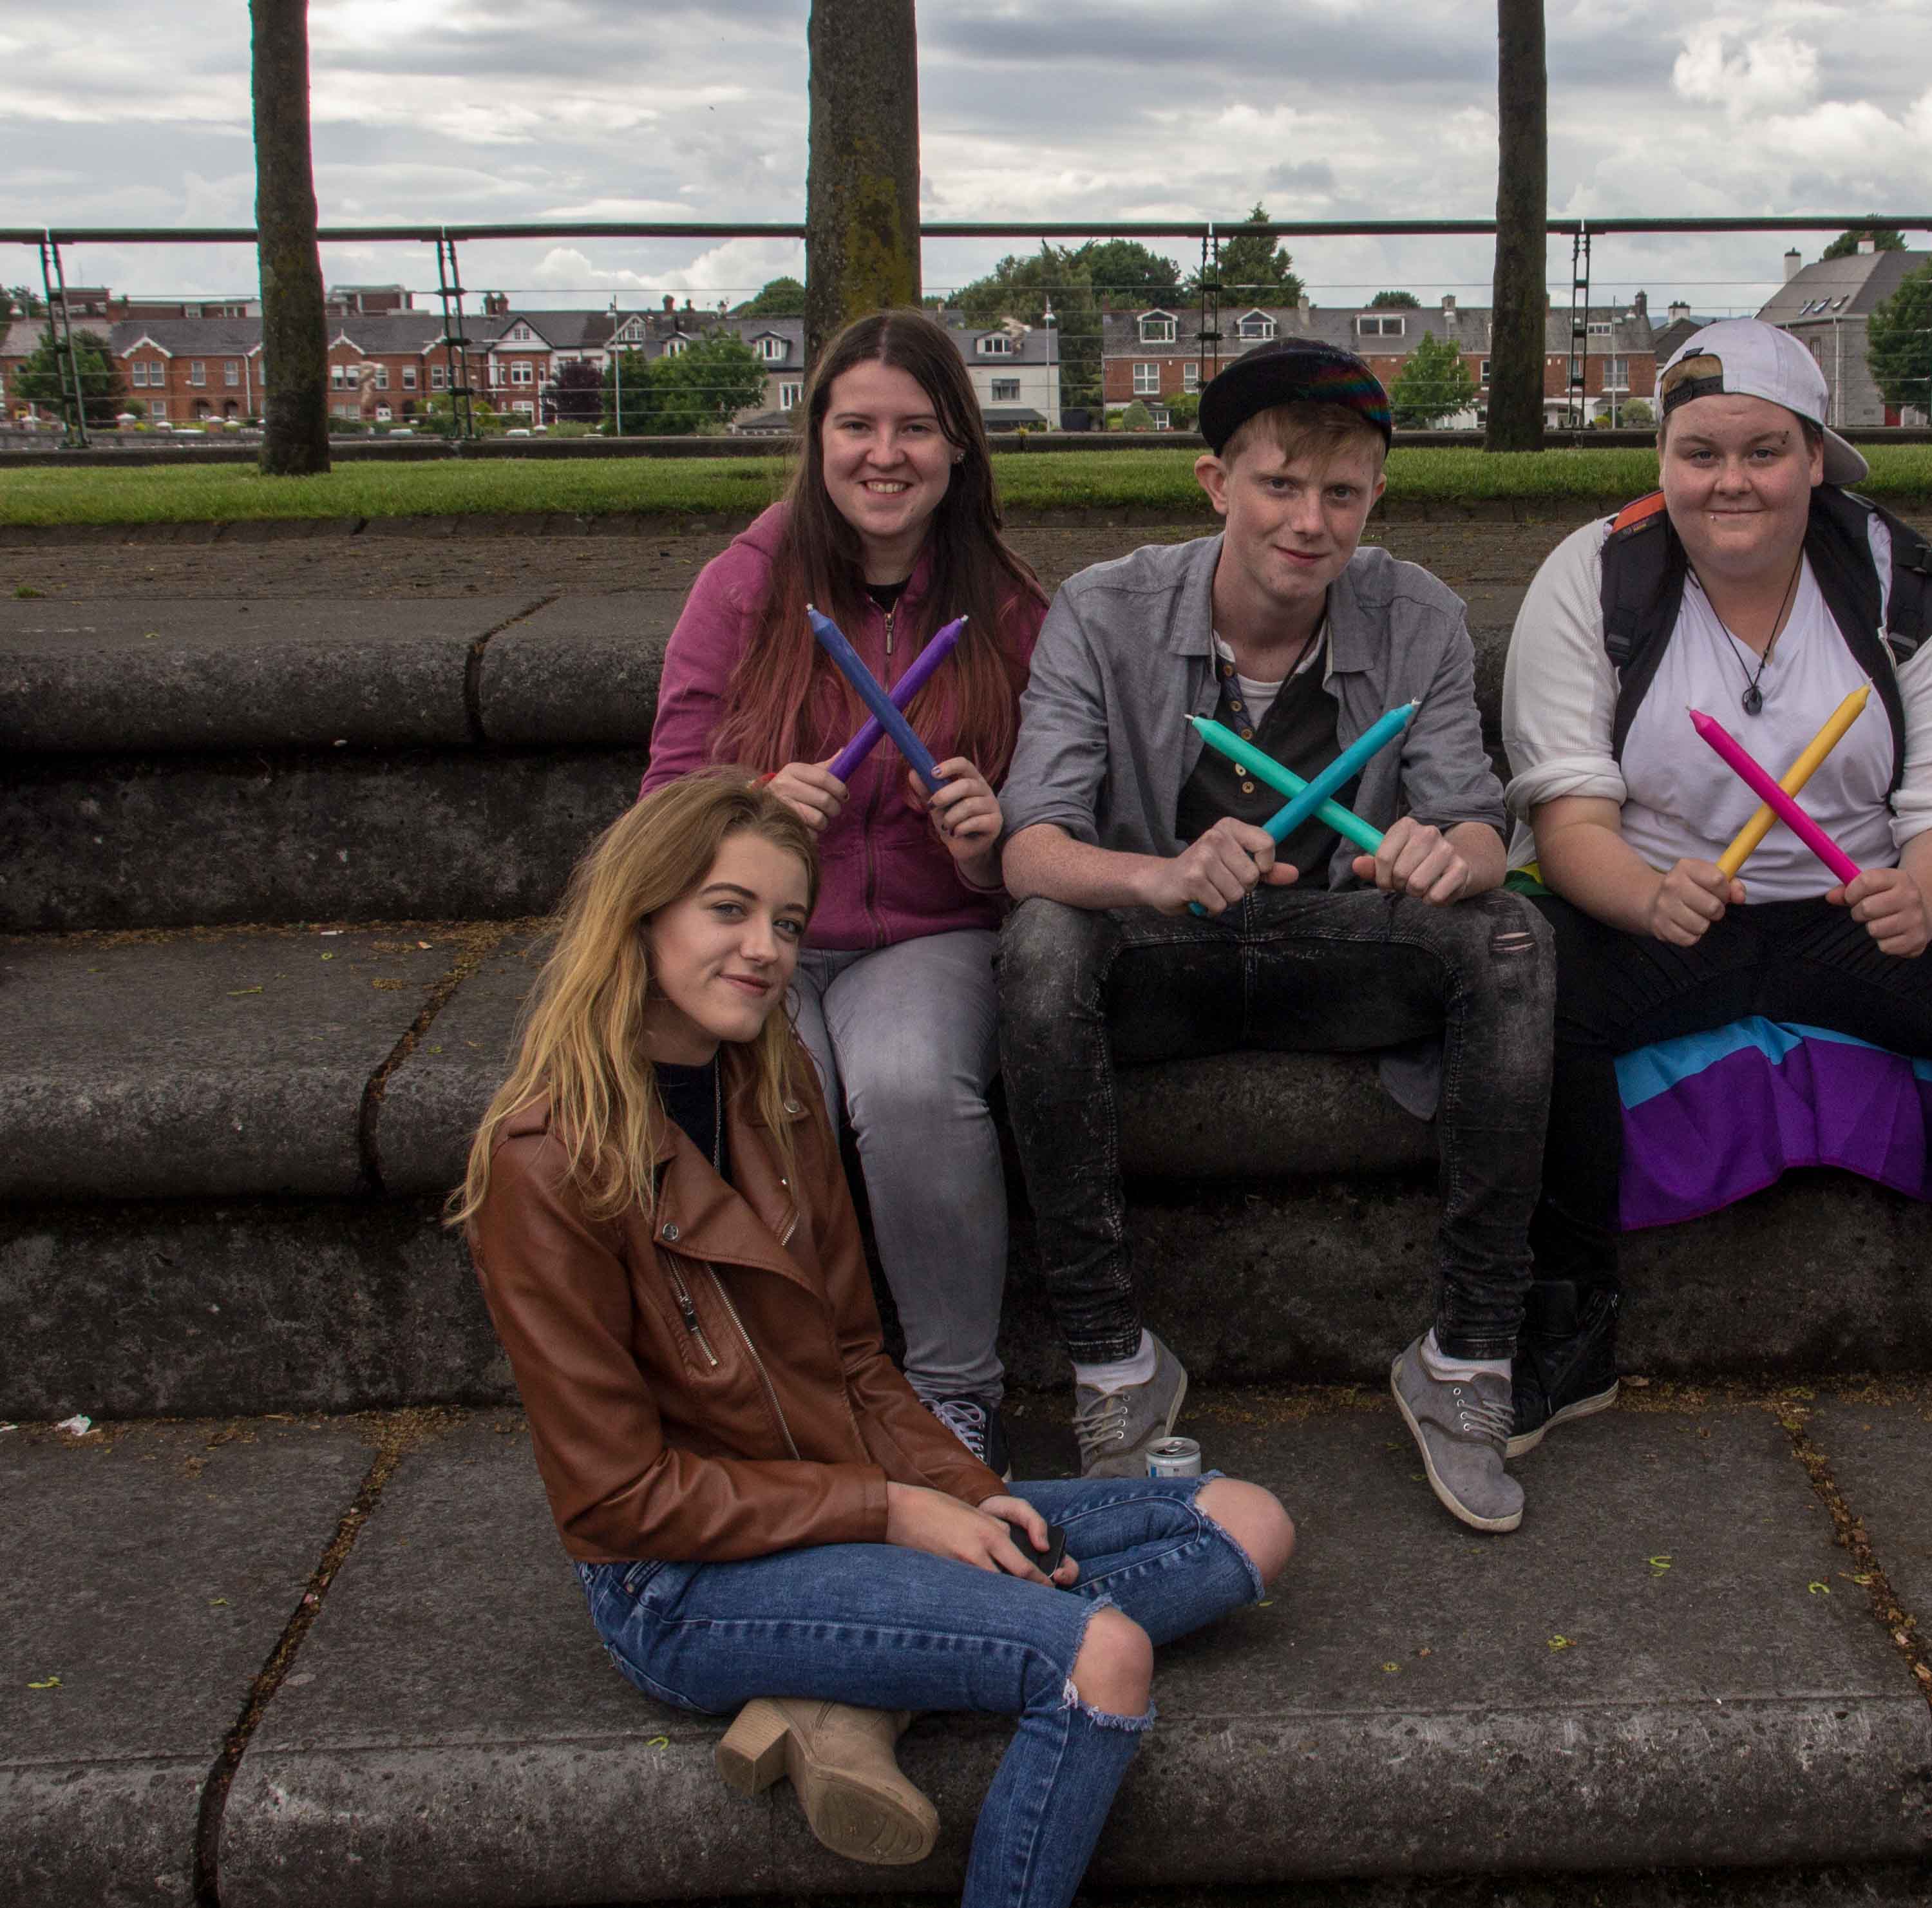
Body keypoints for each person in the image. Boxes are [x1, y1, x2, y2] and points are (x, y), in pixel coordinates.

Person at [453, 769, 1293, 1896]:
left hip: (838, 1494)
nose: (765, 949)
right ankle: (880, 1667)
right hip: (683, 1579)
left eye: (788, 922)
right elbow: (615, 1500)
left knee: (1247, 1523)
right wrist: (894, 1511)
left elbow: (855, 1357)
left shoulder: (777, 1084)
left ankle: (853, 1688)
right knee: (1103, 1653)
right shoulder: (545, 1165)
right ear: (640, 915)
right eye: (729, 909)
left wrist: (964, 1490)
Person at [1500, 318, 1932, 1456]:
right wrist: (1643, 899)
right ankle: (1568, 1320)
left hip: (1862, 905)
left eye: (1764, 451)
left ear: (1815, 458)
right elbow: (1569, 817)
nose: (1731, 481)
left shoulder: (1906, 580)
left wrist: (1928, 895)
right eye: (1701, 453)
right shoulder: (1592, 576)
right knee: (1526, 989)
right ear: (1663, 461)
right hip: (1659, 904)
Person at [998, 338, 1553, 1532]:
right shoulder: (1101, 610)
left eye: (1341, 493)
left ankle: (1466, 1358)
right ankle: (1111, 1363)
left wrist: (1447, 856)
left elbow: (1481, 824)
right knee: (1041, 942)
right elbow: (1029, 846)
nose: (1311, 521)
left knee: (1510, 936)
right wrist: (1157, 874)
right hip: (1162, 949)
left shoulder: (1420, 614)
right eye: (1280, 485)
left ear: (1376, 497)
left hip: (1341, 939)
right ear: (1215, 483)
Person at [647, 309, 1045, 1474]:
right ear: (816, 436)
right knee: (784, 1084)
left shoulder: (1012, 607)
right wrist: (751, 808)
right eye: (857, 425)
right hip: (764, 928)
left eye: (916, 427)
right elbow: (665, 796)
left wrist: (990, 836)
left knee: (910, 1082)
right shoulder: (742, 586)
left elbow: (1060, 814)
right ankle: (790, 1391)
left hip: (931, 929)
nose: (886, 453)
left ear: (959, 442)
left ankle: (955, 1393)